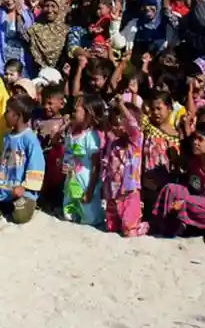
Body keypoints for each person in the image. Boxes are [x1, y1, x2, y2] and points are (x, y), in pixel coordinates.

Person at [153, 120, 205, 244]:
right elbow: (192, 184)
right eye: (194, 138)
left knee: (192, 206)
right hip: (199, 198)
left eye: (200, 139)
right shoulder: (195, 160)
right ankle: (165, 225)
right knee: (171, 189)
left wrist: (185, 202)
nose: (195, 142)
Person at [0, 96, 44, 224]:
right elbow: (3, 162)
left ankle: (30, 204)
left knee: (20, 217)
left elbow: (37, 165)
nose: (4, 115)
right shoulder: (6, 137)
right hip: (5, 189)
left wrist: (24, 187)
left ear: (17, 116)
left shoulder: (30, 139)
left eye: (7, 112)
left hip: (22, 192)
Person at [100, 99, 146, 236]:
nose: (116, 127)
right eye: (113, 124)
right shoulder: (113, 143)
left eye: (119, 123)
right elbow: (107, 165)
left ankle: (145, 227)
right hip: (113, 193)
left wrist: (121, 105)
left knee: (129, 230)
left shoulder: (135, 142)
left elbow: (133, 125)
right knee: (111, 227)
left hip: (129, 192)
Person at [61, 95, 103, 225]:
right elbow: (67, 153)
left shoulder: (90, 136)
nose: (73, 112)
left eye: (76, 110)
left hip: (86, 184)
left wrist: (90, 190)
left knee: (90, 218)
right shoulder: (70, 133)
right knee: (69, 212)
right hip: (71, 181)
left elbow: (96, 166)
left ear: (88, 114)